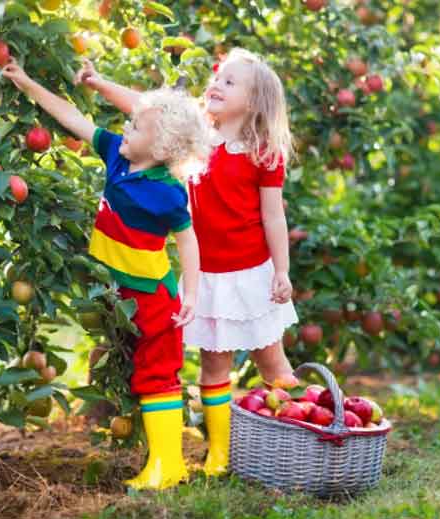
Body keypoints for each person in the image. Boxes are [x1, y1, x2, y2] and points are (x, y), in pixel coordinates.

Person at [74, 48, 299, 476]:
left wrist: (282, 271)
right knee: (214, 365)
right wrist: (99, 83)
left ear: (254, 101)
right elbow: (144, 109)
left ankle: (299, 433)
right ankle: (221, 453)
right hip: (208, 275)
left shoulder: (263, 151)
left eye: (231, 82)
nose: (217, 85)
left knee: (271, 358)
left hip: (252, 273)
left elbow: (274, 214)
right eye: (218, 77)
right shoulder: (196, 133)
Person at [2, 59, 209, 490]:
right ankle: (162, 461)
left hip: (153, 295)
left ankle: (167, 465)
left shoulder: (169, 192)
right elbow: (72, 117)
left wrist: (191, 294)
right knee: (140, 373)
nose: (126, 128)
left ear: (163, 147)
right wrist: (26, 81)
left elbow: (187, 241)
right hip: (121, 293)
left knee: (158, 374)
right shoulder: (116, 154)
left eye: (136, 126)